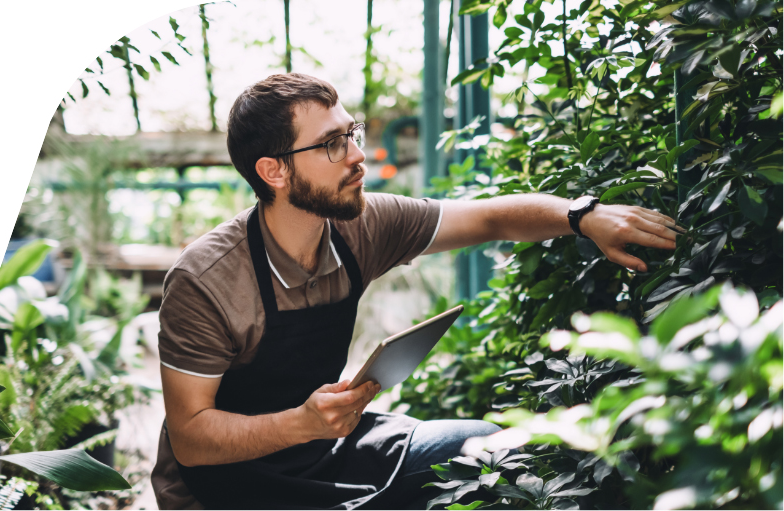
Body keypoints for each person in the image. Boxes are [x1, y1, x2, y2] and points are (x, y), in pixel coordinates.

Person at [150, 73, 681, 509]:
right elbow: (192, 440)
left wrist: (582, 216)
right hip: (219, 488)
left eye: (350, 132)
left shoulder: (362, 224)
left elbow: (490, 219)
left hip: (321, 443)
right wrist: (301, 424)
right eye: (333, 144)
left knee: (487, 449)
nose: (358, 154)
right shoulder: (208, 280)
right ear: (275, 171)